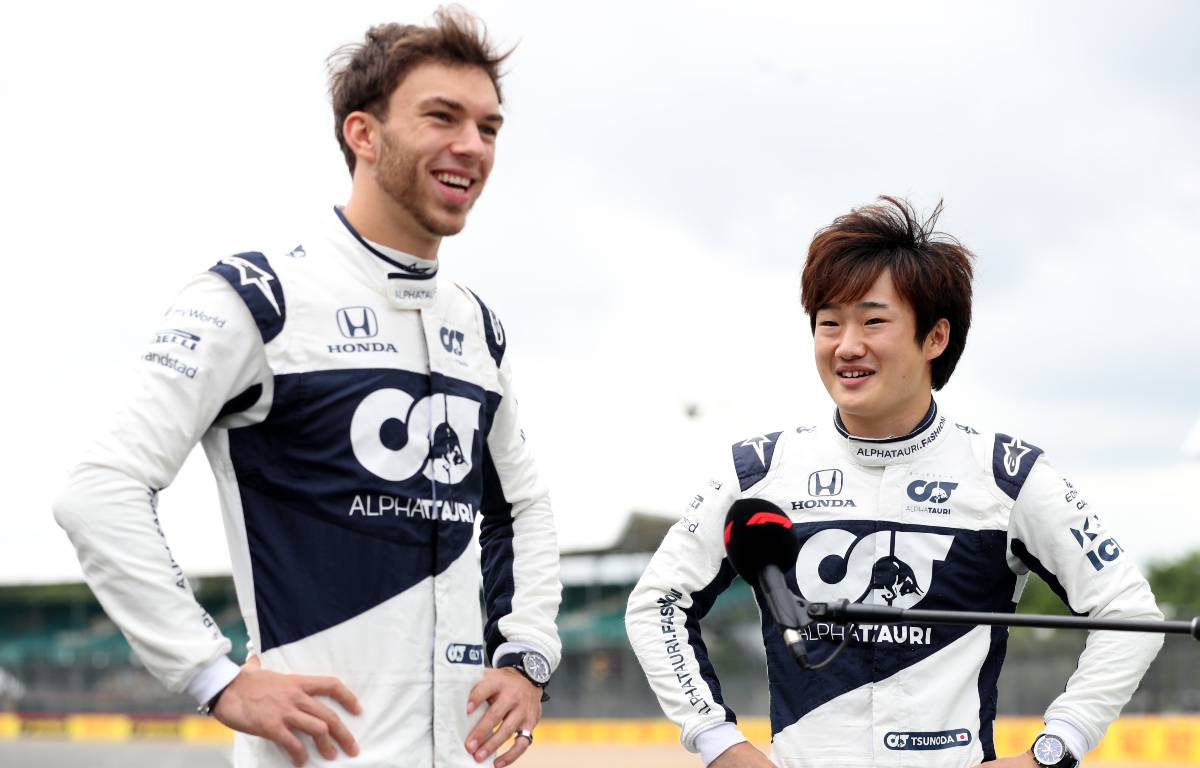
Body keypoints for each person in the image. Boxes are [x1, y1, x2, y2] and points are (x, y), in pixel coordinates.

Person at [53, 9, 561, 768]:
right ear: (363, 134)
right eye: (441, 118)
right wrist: (211, 674)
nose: (472, 146)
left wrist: (526, 654)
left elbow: (521, 505)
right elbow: (100, 489)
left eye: (488, 127)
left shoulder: (478, 326)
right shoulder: (257, 297)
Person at [625, 197, 1163, 768]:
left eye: (873, 320)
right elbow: (658, 601)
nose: (846, 345)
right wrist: (718, 742)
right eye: (829, 323)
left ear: (935, 337)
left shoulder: (1009, 475)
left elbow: (1129, 614)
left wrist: (1054, 750)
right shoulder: (758, 470)